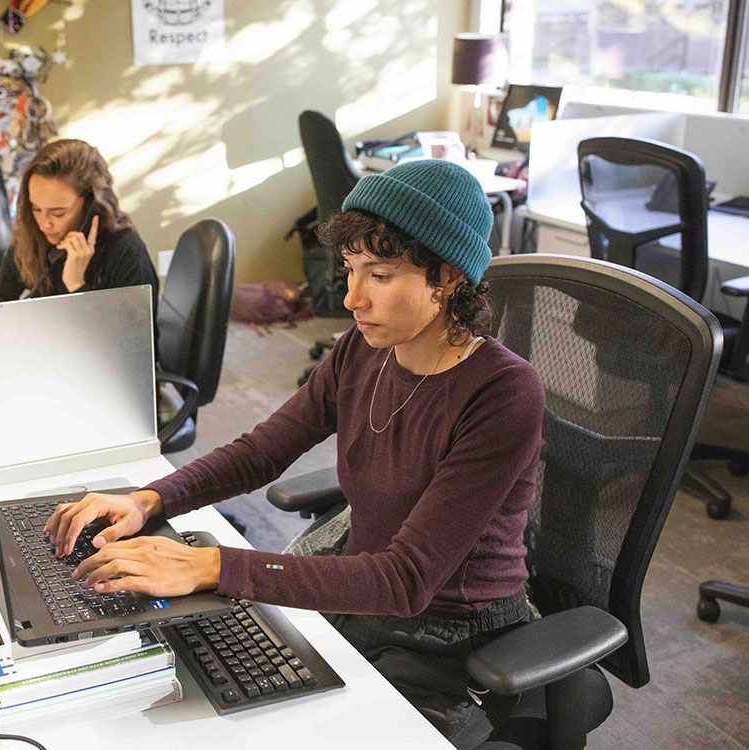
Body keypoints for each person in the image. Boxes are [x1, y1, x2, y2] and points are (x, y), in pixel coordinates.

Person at [44, 160, 545, 747]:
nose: (351, 297)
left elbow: (408, 581)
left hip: (453, 631)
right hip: (363, 594)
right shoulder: (362, 350)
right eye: (351, 269)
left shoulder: (503, 391)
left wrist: (213, 567)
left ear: (449, 277)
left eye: (379, 275)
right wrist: (149, 497)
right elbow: (263, 451)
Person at [0, 139, 158, 316]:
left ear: (91, 205)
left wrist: (76, 285)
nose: (44, 224)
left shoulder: (126, 251)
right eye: (36, 208)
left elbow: (132, 343)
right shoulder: (32, 234)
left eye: (58, 213)